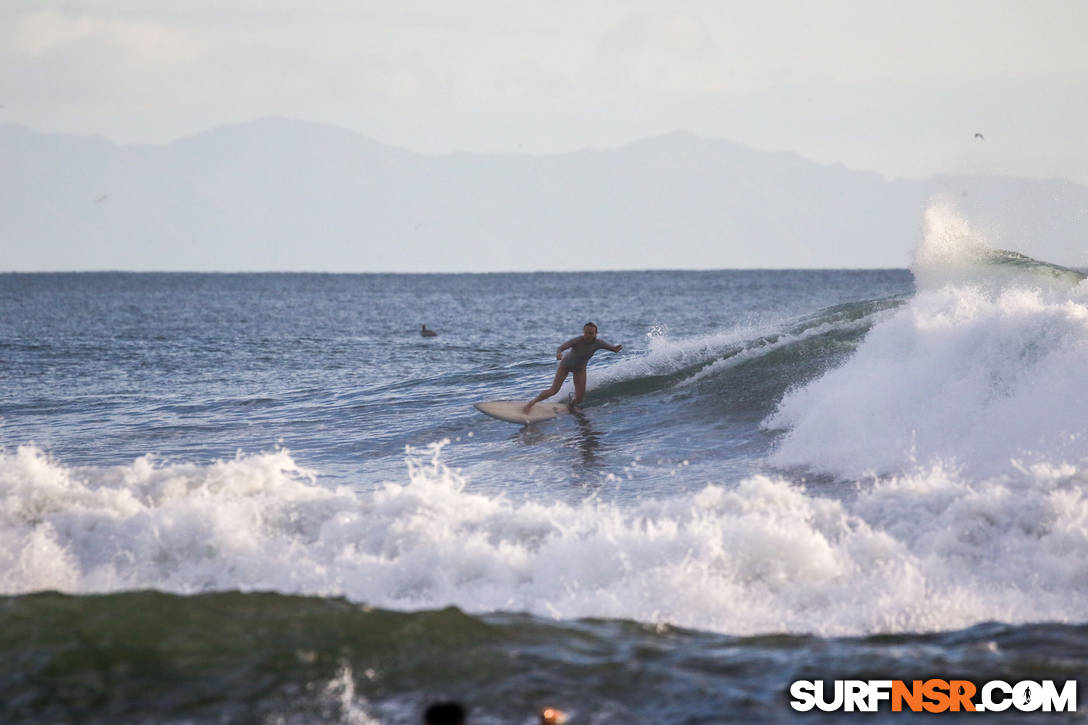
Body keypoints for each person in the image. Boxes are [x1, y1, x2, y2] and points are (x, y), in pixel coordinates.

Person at [524, 321, 622, 413]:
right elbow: (561, 348)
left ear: (595, 334)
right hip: (566, 365)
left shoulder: (599, 343)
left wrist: (616, 349)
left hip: (580, 369)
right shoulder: (577, 340)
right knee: (553, 390)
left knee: (580, 398)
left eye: (591, 333)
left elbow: (613, 349)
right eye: (586, 332)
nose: (588, 335)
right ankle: (532, 403)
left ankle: (571, 406)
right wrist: (558, 354)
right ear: (584, 332)